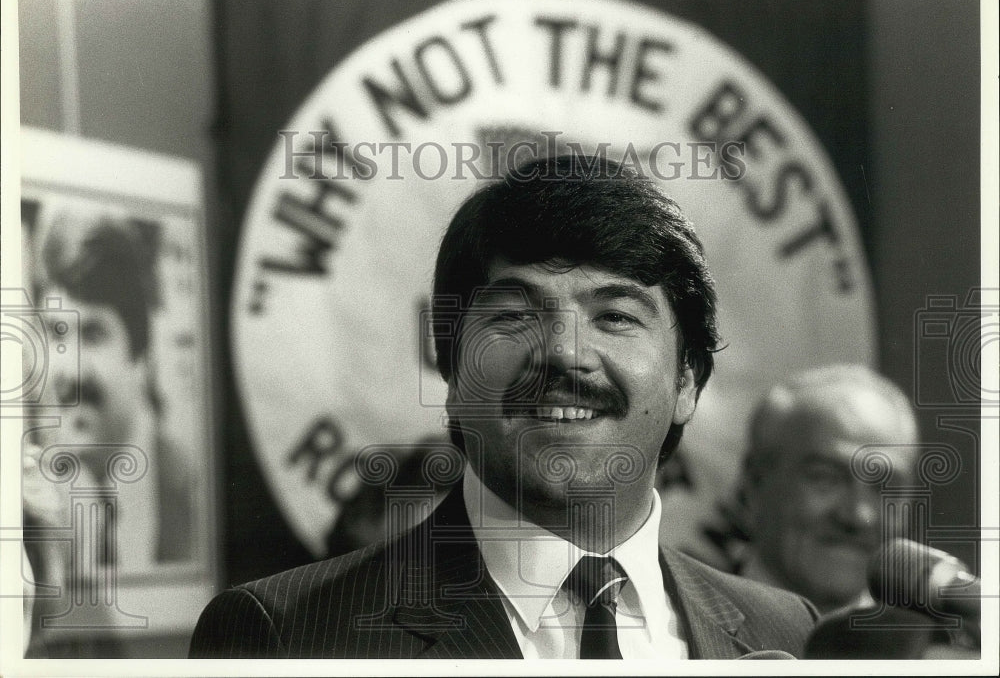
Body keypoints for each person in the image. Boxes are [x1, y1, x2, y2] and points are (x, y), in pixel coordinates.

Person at [190, 155, 817, 659]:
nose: (566, 354)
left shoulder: (785, 633)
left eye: (615, 316)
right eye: (515, 315)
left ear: (687, 381)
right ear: (452, 366)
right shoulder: (285, 636)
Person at [34, 210, 193, 568]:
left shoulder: (187, 486)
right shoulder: (24, 490)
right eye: (56, 333)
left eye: (92, 335)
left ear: (138, 349)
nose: (69, 371)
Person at [734, 364, 920, 615]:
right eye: (826, 478)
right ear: (754, 484)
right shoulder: (678, 637)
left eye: (885, 487)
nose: (859, 516)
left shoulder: (935, 651)